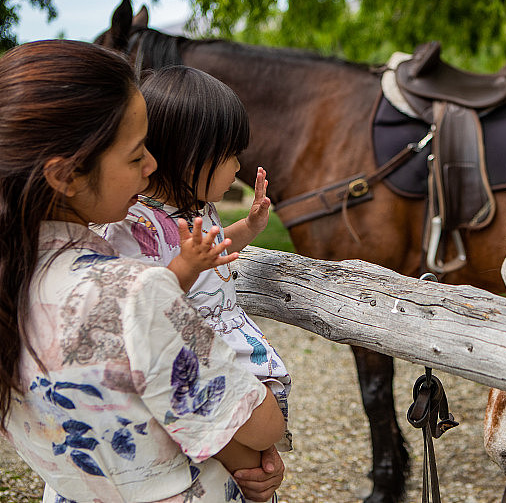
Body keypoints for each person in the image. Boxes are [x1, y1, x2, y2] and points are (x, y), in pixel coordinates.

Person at [0, 40, 285, 503]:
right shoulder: (136, 294)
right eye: (136, 155)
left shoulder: (16, 285)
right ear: (66, 175)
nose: (153, 166)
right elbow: (262, 423)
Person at [99, 66, 292, 458]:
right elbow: (145, 304)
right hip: (192, 349)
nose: (238, 167)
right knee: (247, 442)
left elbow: (215, 247)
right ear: (191, 158)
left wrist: (248, 227)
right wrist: (185, 267)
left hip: (225, 337)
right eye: (230, 155)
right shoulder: (138, 224)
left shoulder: (197, 206)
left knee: (258, 441)